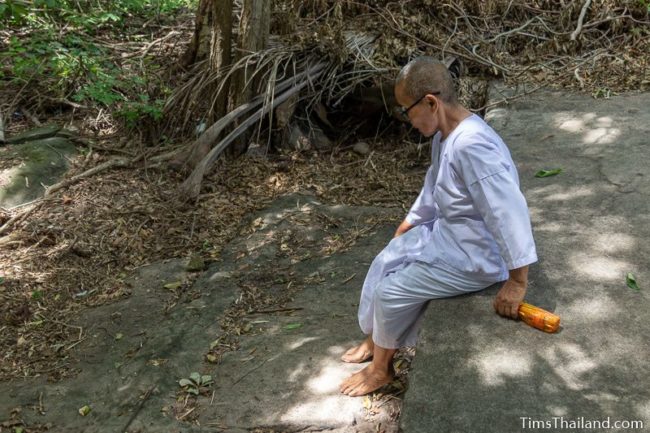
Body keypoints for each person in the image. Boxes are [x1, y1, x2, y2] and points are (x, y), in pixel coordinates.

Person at [339, 57, 538, 397]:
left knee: (391, 293)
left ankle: (380, 370)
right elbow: (435, 185)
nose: (406, 120)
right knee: (389, 258)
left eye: (406, 111)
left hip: (474, 256)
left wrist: (517, 281)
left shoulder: (472, 145)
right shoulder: (445, 134)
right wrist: (413, 219)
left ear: (430, 102)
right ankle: (376, 338)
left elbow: (506, 211)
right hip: (451, 235)